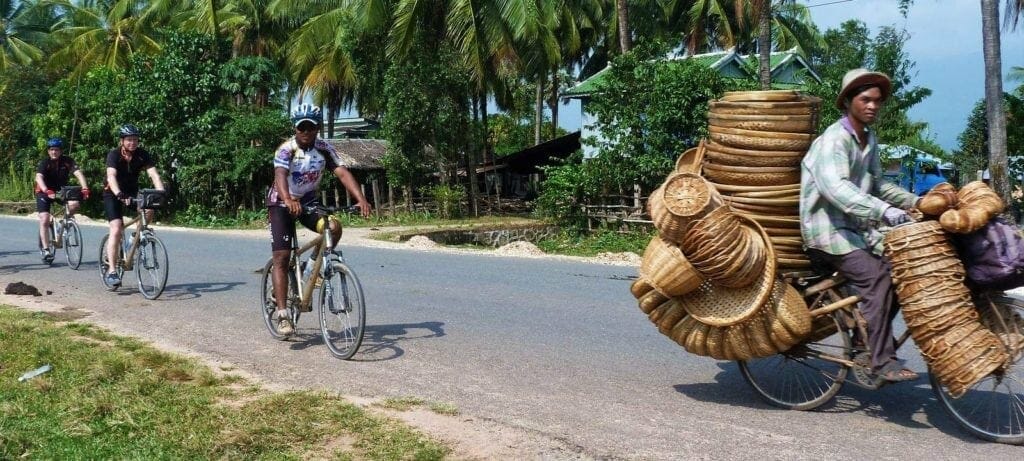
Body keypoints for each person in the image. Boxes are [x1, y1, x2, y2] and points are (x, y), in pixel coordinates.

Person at [799, 68, 921, 383]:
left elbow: (879, 185)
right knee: (876, 276)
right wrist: (885, 212)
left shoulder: (868, 139)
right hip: (826, 231)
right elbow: (836, 189)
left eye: (877, 101)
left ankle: (864, 338)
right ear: (848, 101)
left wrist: (915, 202)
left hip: (855, 230)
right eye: (865, 99)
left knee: (901, 269)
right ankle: (883, 362)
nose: (872, 106)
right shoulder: (834, 140)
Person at [267, 104, 372, 335]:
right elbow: (280, 175)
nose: (305, 132)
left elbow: (343, 172)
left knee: (333, 228)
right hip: (281, 203)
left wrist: (361, 199)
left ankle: (312, 267)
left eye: (310, 127)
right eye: (301, 127)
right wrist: (287, 199)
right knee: (282, 256)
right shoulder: (286, 150)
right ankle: (283, 315)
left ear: (318, 128)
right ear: (296, 129)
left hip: (307, 202)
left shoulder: (325, 149)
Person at [102, 124, 165, 289]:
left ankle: (134, 238)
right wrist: (118, 194)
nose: (133, 143)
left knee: (149, 209)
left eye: (135, 139)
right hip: (113, 193)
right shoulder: (114, 155)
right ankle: (112, 271)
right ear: (122, 141)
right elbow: (111, 176)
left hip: (132, 192)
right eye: (129, 139)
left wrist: (160, 192)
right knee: (116, 228)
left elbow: (154, 174)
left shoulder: (142, 155)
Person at [35, 137, 90, 263]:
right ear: (48, 151)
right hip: (44, 192)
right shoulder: (45, 163)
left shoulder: (67, 161)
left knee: (74, 204)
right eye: (52, 150)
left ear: (61, 151)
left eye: (57, 150)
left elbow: (78, 173)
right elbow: (38, 177)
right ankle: (46, 249)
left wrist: (85, 188)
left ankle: (61, 224)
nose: (54, 152)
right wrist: (46, 190)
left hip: (61, 191)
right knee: (44, 218)